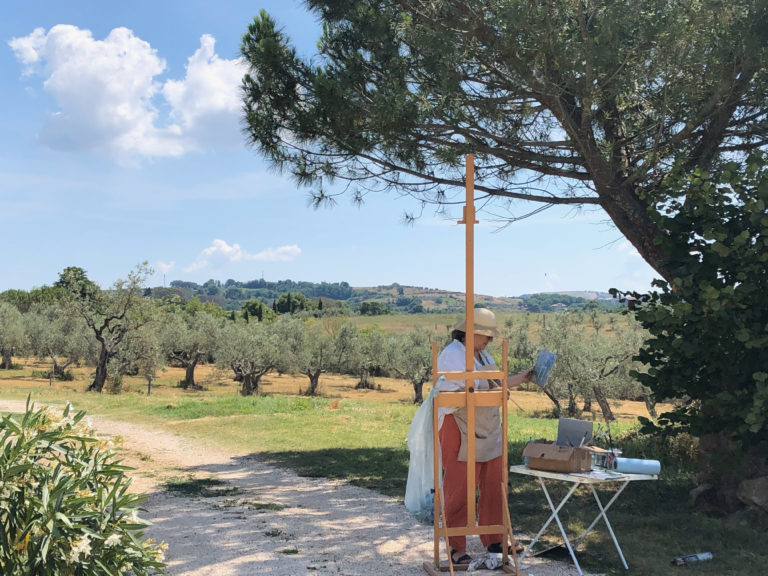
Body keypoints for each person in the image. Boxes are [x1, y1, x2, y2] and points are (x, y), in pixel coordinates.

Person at [437, 308, 532, 565]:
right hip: (460, 426)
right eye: (486, 335)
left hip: (488, 427)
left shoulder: (483, 354)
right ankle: (455, 547)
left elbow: (494, 384)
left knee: (494, 485)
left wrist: (520, 379)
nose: (490, 340)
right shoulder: (452, 355)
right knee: (459, 488)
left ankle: (495, 540)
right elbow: (454, 395)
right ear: (471, 332)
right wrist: (491, 393)